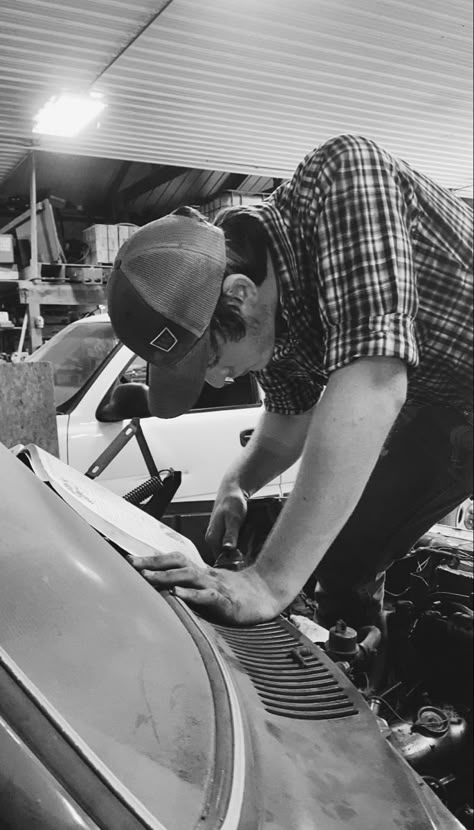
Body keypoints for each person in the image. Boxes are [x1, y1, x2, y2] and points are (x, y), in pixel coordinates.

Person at [107, 134, 473, 629]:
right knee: (343, 556)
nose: (216, 380)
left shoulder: (346, 180)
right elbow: (286, 426)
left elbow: (375, 383)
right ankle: (356, 666)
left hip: (436, 395)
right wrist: (237, 482)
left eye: (211, 357)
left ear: (239, 296)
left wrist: (267, 582)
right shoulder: (269, 314)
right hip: (444, 398)